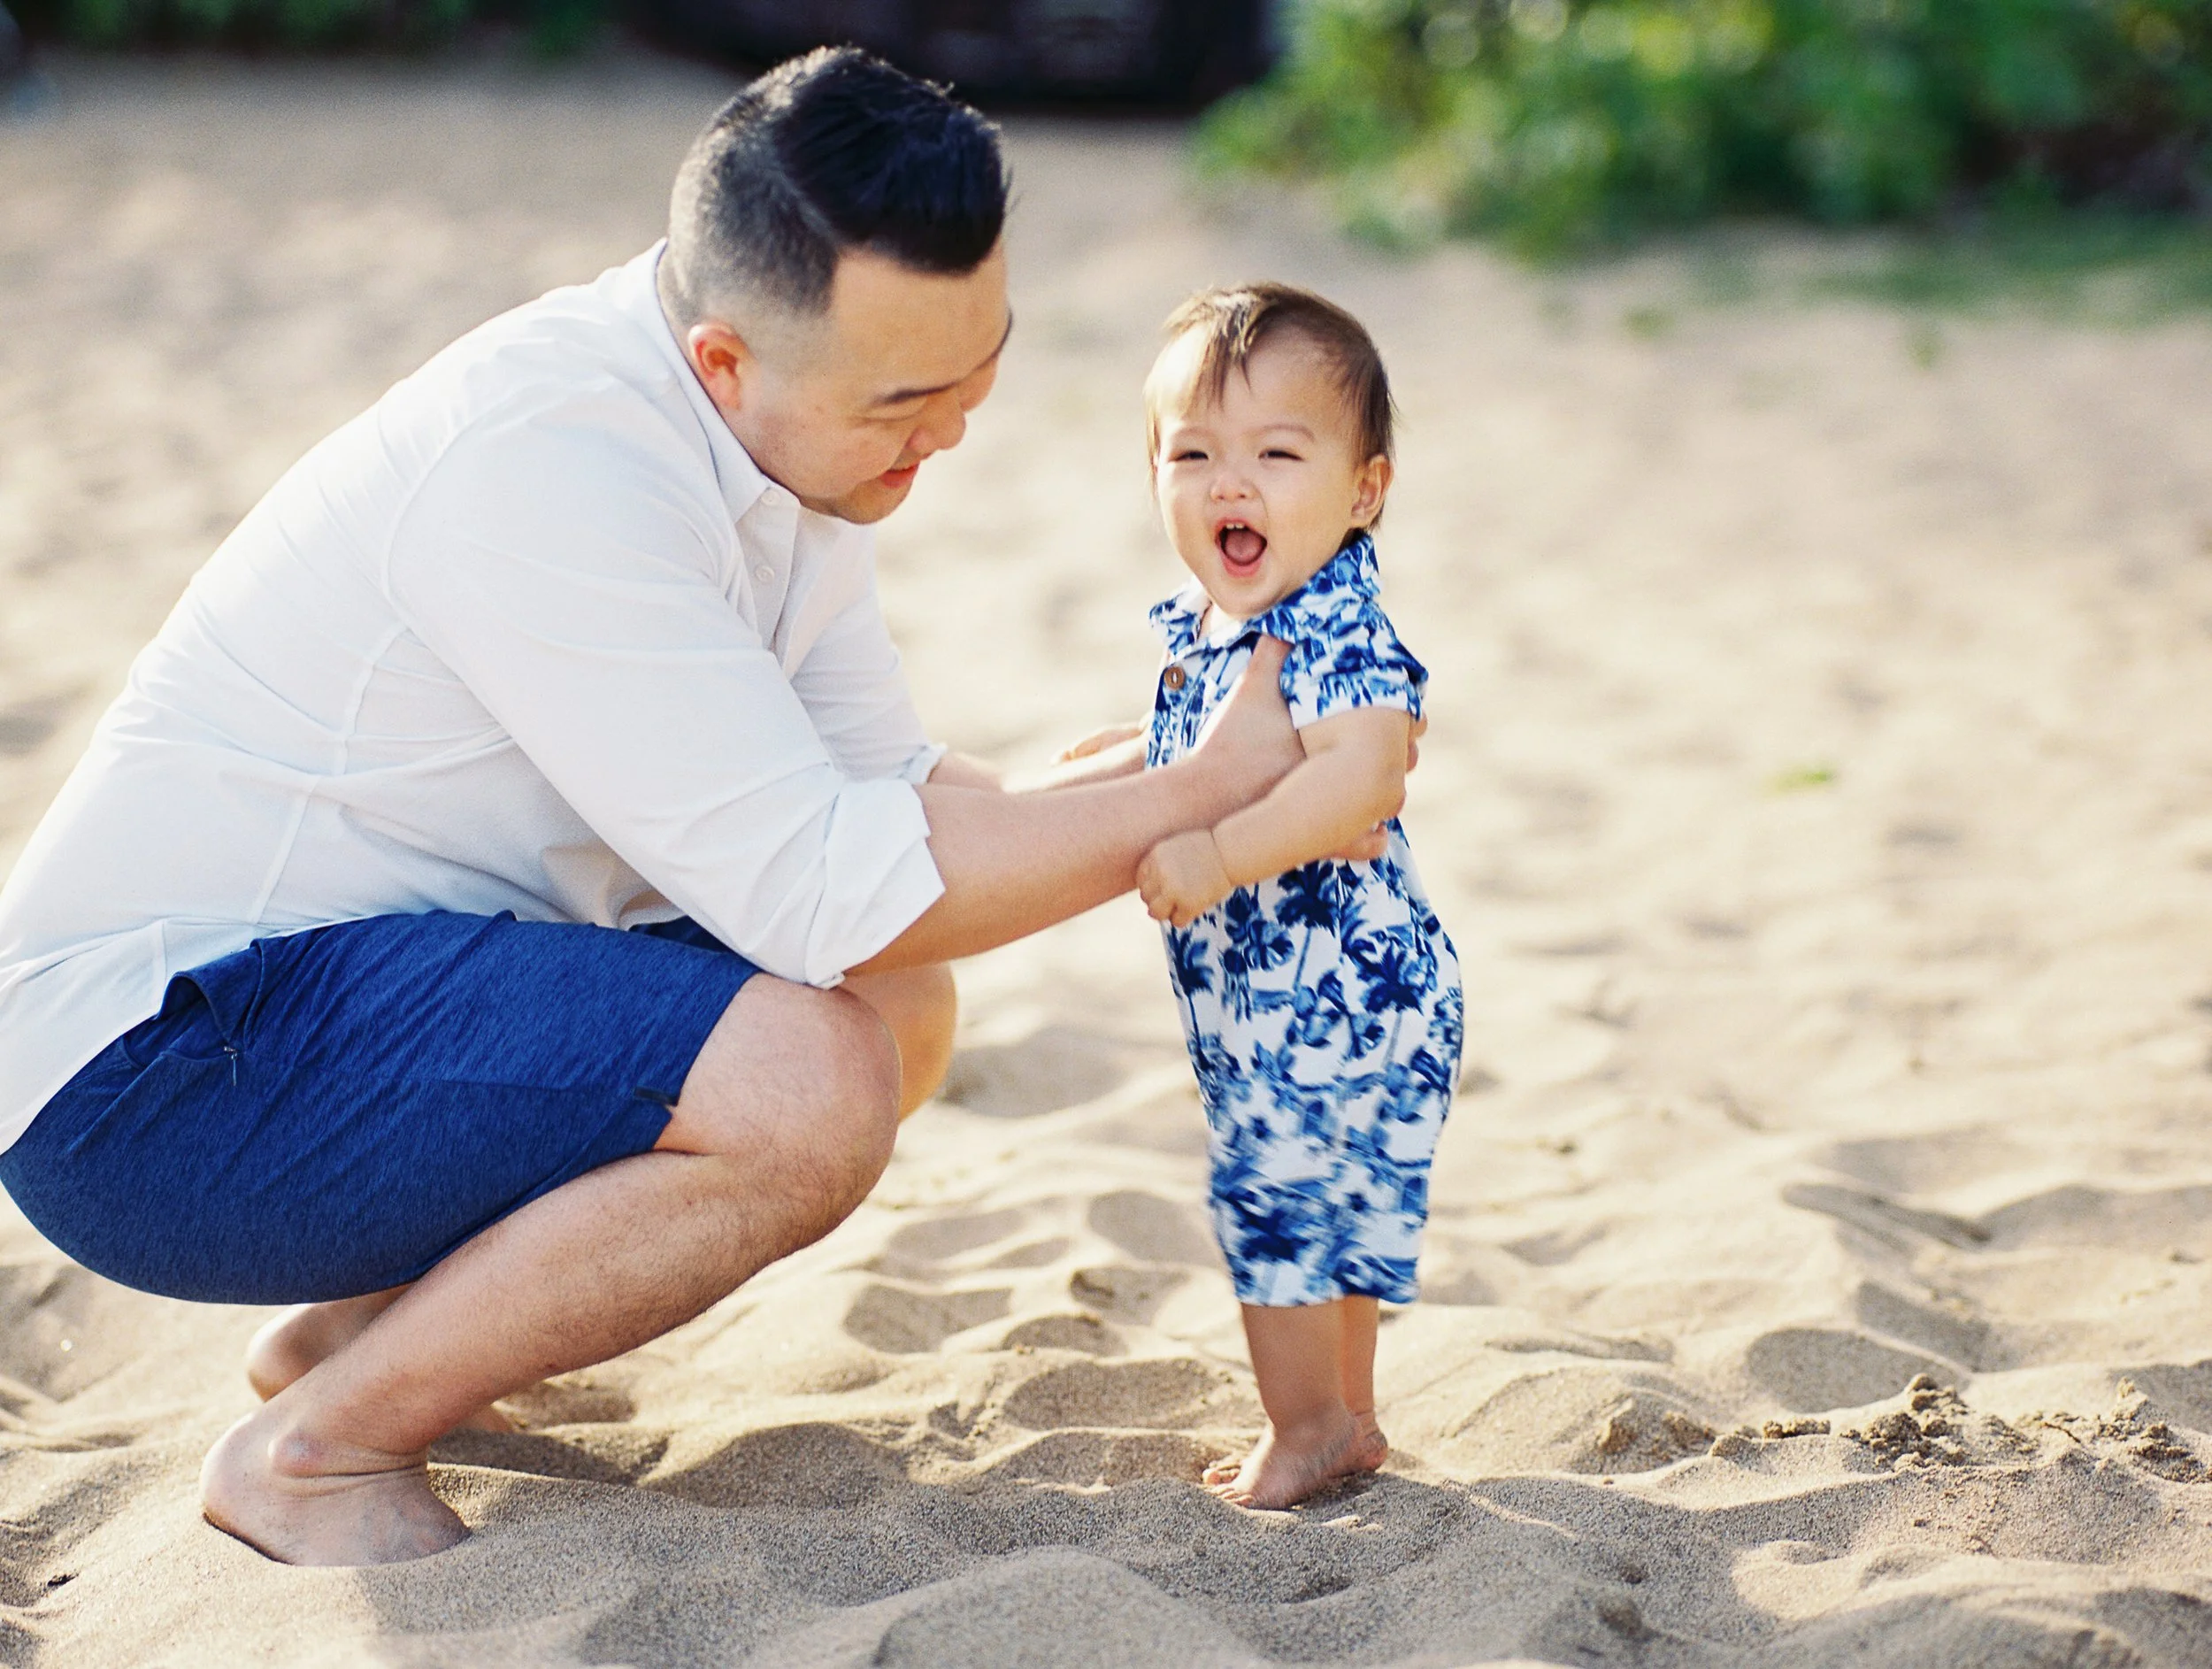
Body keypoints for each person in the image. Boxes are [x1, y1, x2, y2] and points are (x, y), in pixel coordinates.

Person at [0, 51, 1367, 1566]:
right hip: (154, 1077)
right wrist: (1210, 795)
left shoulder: (802, 446)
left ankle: (358, 1341)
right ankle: (313, 1454)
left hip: (337, 996)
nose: (950, 436)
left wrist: (1144, 777)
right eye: (907, 401)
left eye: (978, 377)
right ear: (725, 360)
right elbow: (836, 883)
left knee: (896, 1002)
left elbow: (872, 796)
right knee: (810, 1081)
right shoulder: (554, 473)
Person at [1133, 284, 1463, 1509]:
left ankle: (1308, 1423)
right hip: (1288, 996)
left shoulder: (1330, 625)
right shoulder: (1229, 624)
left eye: (1279, 452)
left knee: (1277, 1202)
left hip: (1338, 986)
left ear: (1364, 489)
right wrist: (1130, 757)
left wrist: (1219, 858)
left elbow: (1363, 772)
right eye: (1196, 454)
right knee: (1332, 1211)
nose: (1235, 483)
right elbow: (1230, 746)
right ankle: (1351, 1416)